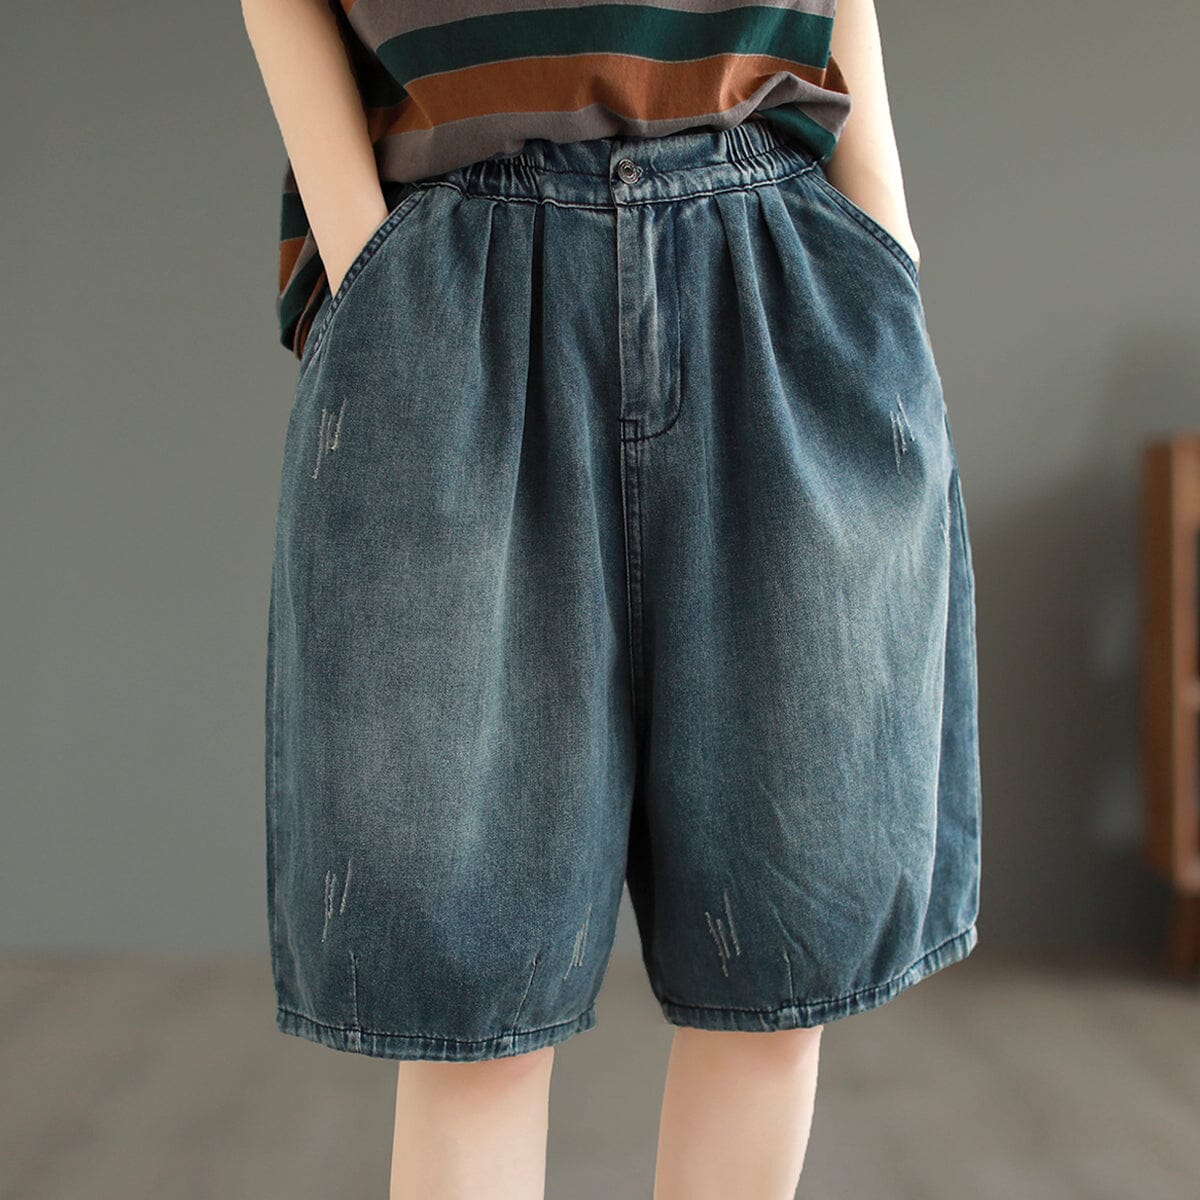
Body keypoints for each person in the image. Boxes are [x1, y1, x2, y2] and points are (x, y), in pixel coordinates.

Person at [242, 1, 982, 1197]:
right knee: (468, 1002)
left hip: (774, 263)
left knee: (782, 964)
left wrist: (882, 232)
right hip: (456, 283)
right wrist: (364, 259)